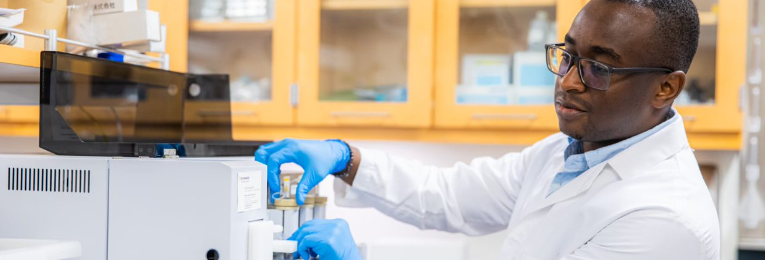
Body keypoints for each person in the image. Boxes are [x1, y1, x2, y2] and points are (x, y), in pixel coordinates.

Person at [256, 0, 720, 259]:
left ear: (665, 88)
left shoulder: (663, 219)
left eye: (599, 67)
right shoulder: (568, 151)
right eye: (568, 55)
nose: (568, 80)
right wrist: (346, 158)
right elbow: (449, 195)